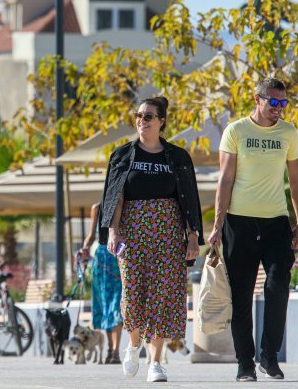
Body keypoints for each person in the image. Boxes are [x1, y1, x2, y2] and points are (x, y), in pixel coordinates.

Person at [99, 96, 204, 383]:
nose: (141, 120)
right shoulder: (122, 155)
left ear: (161, 121)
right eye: (138, 115)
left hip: (169, 231)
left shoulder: (178, 157)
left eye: (148, 116)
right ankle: (134, 346)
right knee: (132, 295)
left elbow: (190, 199)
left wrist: (192, 236)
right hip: (132, 231)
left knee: (163, 295)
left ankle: (155, 362)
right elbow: (115, 195)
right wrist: (113, 230)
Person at [208, 78, 298, 382]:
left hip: (276, 222)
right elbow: (225, 180)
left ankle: (269, 356)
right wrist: (217, 226)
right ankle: (245, 364)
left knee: (278, 287)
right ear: (257, 99)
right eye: (272, 102)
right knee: (241, 296)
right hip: (239, 223)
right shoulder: (236, 131)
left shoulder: (288, 132)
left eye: (283, 103)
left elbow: (297, 180)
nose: (278, 108)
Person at [79, 202, 123, 364]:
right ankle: (110, 349)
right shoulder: (97, 208)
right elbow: (91, 236)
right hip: (101, 260)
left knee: (117, 305)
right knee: (104, 306)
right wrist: (84, 249)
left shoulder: (125, 205)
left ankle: (116, 351)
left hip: (119, 257)